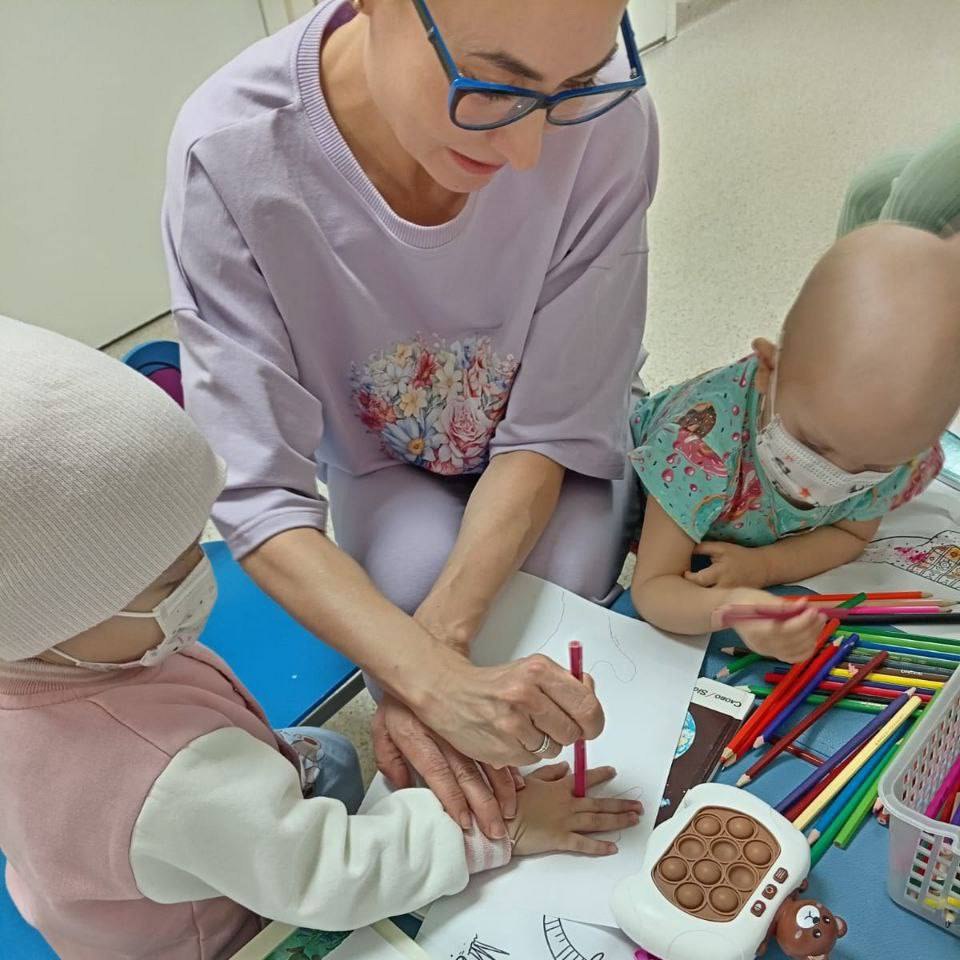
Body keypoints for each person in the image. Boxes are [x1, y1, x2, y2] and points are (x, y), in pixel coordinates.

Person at [162, 0, 658, 840]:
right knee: (415, 598)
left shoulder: (608, 117)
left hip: (552, 441)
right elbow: (258, 495)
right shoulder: (230, 154)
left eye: (572, 86)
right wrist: (426, 675)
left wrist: (432, 656)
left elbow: (549, 426)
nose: (526, 151)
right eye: (492, 85)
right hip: (381, 456)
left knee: (559, 603)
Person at [0, 316, 642, 960]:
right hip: (217, 933)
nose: (202, 574)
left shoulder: (56, 651)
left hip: (105, 871)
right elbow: (327, 877)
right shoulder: (173, 778)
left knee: (329, 753)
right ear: (55, 615)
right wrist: (501, 827)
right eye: (169, 576)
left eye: (197, 543)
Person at [628, 223, 960, 659]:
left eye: (874, 468)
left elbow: (849, 533)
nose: (834, 477)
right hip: (648, 501)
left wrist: (764, 567)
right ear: (768, 370)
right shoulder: (699, 447)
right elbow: (653, 588)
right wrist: (733, 609)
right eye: (816, 446)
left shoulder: (903, 449)